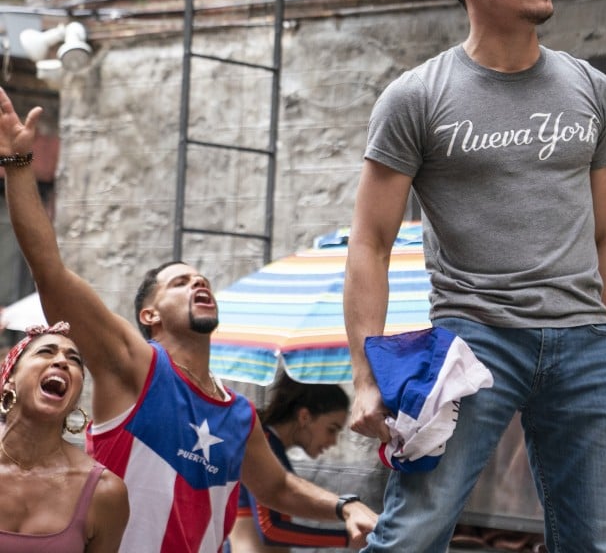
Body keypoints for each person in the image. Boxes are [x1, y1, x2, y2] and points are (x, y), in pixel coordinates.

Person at [343, 0, 606, 553]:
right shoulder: (417, 97)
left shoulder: (593, 89)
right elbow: (370, 242)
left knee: (603, 542)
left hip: (581, 342)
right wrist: (365, 376)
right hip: (474, 341)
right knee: (413, 534)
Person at [0, 85, 378, 553]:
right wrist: (18, 166)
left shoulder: (239, 414)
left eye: (202, 280)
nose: (199, 284)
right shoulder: (134, 366)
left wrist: (345, 506)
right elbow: (50, 272)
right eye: (179, 282)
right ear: (149, 314)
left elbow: (278, 489)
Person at [0, 321, 129, 552]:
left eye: (74, 360)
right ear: (9, 380)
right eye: (45, 351)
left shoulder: (105, 492)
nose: (61, 361)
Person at [229, 373, 354, 552]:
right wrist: (348, 537)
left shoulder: (273, 448)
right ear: (304, 417)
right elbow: (271, 529)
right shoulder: (264, 444)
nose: (333, 441)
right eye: (331, 429)